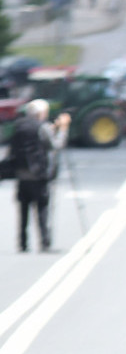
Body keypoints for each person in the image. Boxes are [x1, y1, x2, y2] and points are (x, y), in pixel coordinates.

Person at [10, 99, 70, 252]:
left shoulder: (20, 127)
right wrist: (63, 129)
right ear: (41, 113)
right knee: (42, 209)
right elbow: (56, 145)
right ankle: (44, 242)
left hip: (22, 175)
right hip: (39, 175)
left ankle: (23, 243)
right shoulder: (42, 127)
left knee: (23, 211)